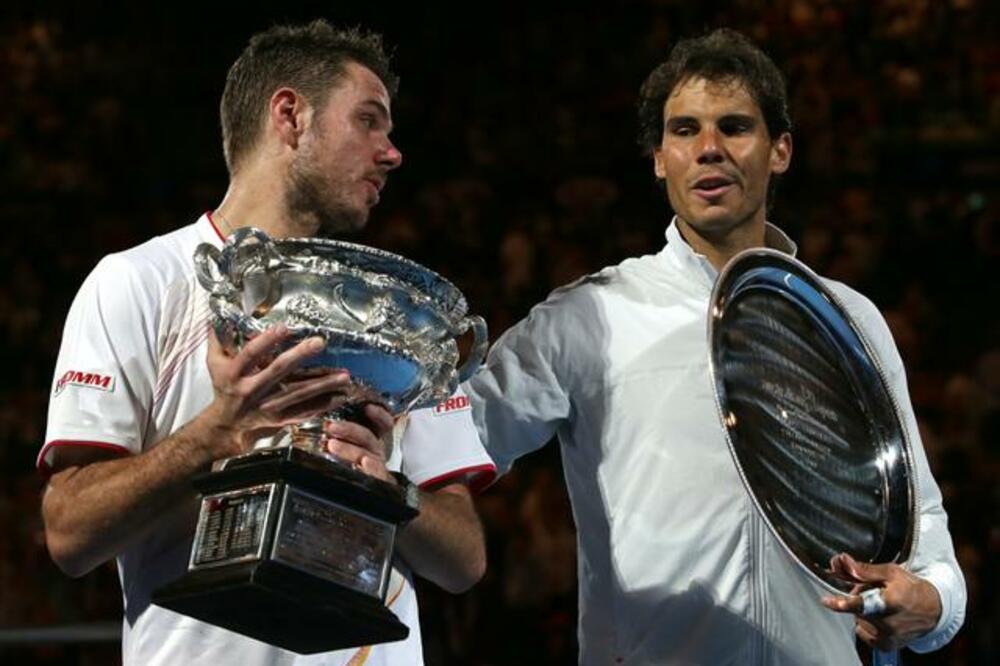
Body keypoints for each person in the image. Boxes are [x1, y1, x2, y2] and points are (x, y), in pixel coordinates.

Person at [464, 28, 965, 664]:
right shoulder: (591, 316)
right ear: (659, 158)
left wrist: (935, 603)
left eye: (734, 127)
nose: (708, 149)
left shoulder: (849, 318)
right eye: (684, 130)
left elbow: (921, 525)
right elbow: (452, 442)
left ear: (780, 151)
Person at [39, 20, 495, 666]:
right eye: (368, 120)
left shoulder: (398, 321)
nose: (392, 153)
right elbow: (69, 532)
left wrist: (389, 488)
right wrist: (217, 432)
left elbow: (464, 561)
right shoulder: (141, 282)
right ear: (290, 116)